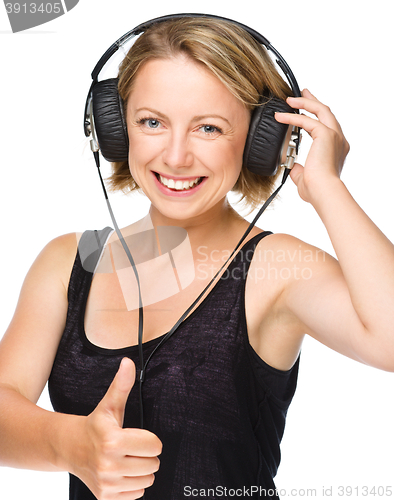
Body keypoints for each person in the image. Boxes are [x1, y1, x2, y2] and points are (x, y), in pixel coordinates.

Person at [1, 13, 394, 500]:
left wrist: (329, 188)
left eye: (208, 128)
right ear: (114, 128)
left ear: (259, 142)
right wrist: (70, 445)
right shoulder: (72, 261)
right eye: (152, 122)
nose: (176, 156)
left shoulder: (275, 269)